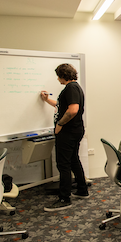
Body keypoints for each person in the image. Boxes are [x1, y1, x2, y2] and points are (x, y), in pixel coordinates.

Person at [40, 63, 87, 212]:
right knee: (73, 160)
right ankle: (82, 190)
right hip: (75, 130)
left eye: (58, 76)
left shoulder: (71, 88)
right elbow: (63, 106)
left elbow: (72, 110)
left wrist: (60, 124)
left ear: (62, 76)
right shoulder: (74, 88)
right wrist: (47, 100)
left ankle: (64, 198)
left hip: (68, 132)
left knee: (63, 164)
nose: (57, 79)